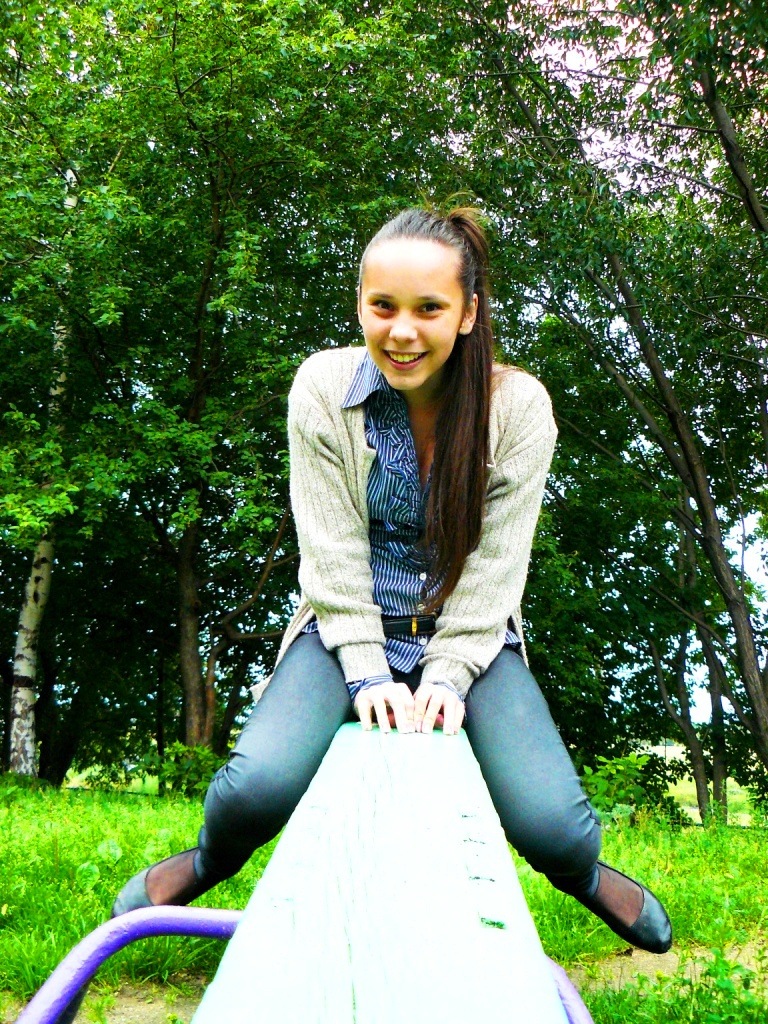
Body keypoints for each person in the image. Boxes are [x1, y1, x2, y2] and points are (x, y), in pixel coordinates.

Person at [113, 207, 672, 954]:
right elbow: (329, 547)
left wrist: (449, 674)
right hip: (344, 624)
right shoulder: (322, 387)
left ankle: (587, 874)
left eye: (428, 309)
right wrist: (366, 669)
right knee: (253, 790)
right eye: (383, 306)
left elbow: (499, 565)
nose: (402, 331)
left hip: (470, 632)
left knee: (553, 827)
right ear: (360, 304)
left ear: (467, 313)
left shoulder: (518, 407)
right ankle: (209, 861)